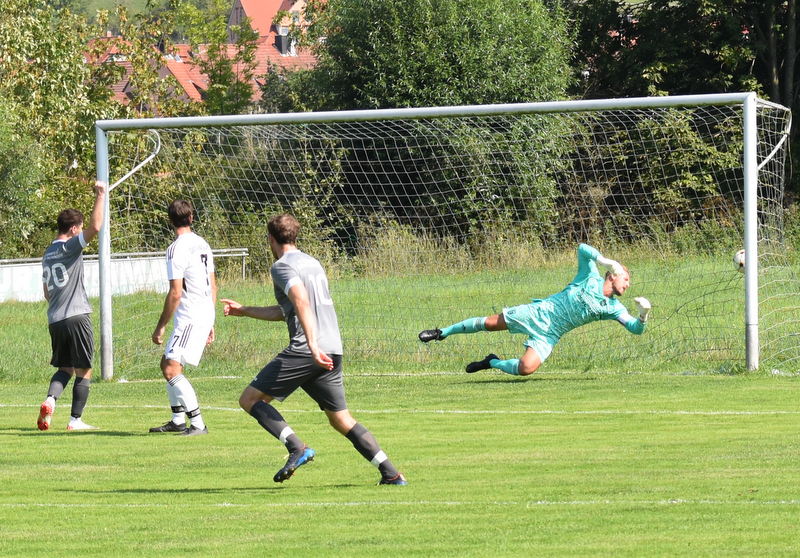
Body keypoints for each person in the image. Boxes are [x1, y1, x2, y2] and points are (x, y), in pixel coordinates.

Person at [221, 213, 406, 485]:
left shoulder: (282, 266)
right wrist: (245, 310)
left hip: (308, 350)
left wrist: (311, 344)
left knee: (249, 399)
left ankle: (297, 447)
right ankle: (391, 473)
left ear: (270, 239)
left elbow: (301, 301)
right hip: (331, 349)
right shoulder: (313, 263)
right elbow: (290, 310)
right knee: (341, 419)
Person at [419, 243, 651, 375]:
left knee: (526, 368)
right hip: (538, 313)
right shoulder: (589, 276)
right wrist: (605, 261)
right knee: (488, 324)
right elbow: (582, 248)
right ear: (612, 275)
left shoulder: (613, 308)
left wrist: (643, 314)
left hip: (551, 334)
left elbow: (635, 329)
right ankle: (442, 332)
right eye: (626, 279)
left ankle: (491, 362)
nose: (628, 285)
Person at [38, 180, 106, 431]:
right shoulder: (69, 247)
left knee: (65, 367)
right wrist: (101, 195)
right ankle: (75, 420)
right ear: (74, 228)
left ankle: (50, 400)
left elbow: (47, 292)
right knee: (84, 369)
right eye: (79, 229)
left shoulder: (47, 253)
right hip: (77, 314)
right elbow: (95, 227)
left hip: (55, 319)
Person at [149, 199, 216, 436]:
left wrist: (160, 326)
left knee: (171, 368)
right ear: (191, 217)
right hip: (204, 311)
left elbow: (176, 293)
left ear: (170, 220)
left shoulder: (175, 249)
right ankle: (178, 420)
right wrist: (211, 320)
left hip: (190, 315)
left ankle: (197, 423)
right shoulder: (203, 244)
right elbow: (212, 284)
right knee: (167, 363)